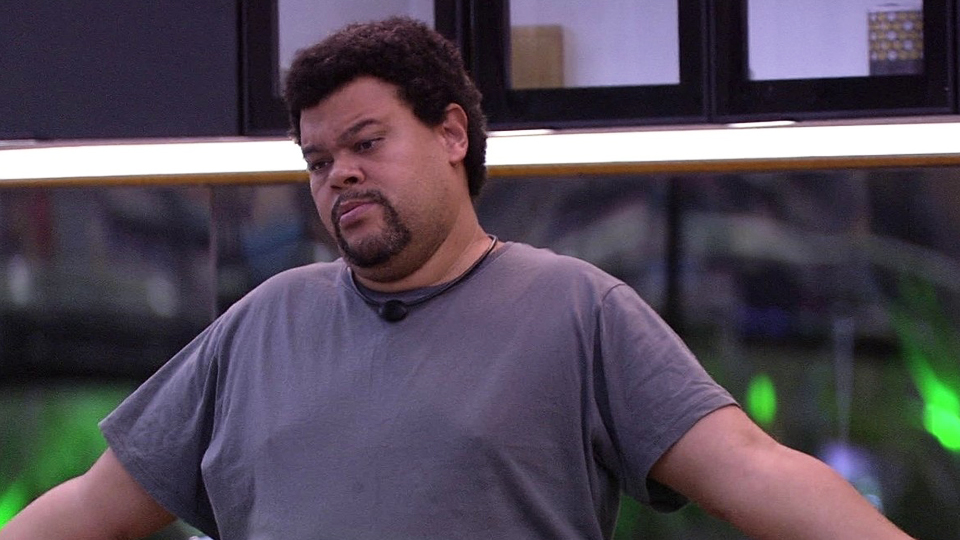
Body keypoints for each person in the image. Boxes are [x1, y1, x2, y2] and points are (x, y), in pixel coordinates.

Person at [0, 16, 915, 540]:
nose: (339, 175)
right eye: (318, 161)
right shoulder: (261, 325)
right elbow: (89, 506)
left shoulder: (577, 309)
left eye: (366, 143)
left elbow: (755, 470)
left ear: (450, 134)